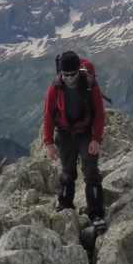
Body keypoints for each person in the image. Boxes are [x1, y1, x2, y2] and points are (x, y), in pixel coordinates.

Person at [43, 50, 106, 228]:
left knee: (91, 171)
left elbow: (100, 114)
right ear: (61, 72)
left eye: (73, 74)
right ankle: (65, 206)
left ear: (79, 70)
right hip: (65, 133)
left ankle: (96, 214)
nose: (70, 78)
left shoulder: (90, 84)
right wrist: (48, 143)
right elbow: (48, 116)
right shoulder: (55, 87)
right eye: (66, 74)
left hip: (86, 133)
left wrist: (96, 139)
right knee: (67, 172)